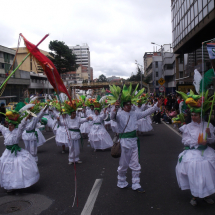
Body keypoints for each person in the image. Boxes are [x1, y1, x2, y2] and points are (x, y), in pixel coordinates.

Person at [110, 85, 163, 192]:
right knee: (123, 164)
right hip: (124, 142)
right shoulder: (119, 115)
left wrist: (156, 106)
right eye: (127, 104)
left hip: (134, 142)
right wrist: (114, 108)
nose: (130, 106)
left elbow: (145, 113)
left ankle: (136, 184)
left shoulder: (134, 114)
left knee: (135, 164)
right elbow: (112, 117)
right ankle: (121, 182)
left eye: (130, 104)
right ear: (123, 105)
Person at [176, 93, 215, 206]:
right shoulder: (188, 127)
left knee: (208, 169)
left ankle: (206, 194)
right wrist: (197, 142)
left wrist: (209, 135)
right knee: (195, 168)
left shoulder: (207, 126)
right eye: (192, 115)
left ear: (201, 115)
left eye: (196, 115)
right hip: (193, 152)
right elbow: (185, 141)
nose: (193, 117)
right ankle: (194, 195)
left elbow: (212, 140)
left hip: (206, 151)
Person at [0, 113, 39, 192]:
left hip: (16, 152)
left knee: (17, 167)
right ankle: (9, 186)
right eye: (9, 125)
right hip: (7, 153)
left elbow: (22, 126)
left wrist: (26, 118)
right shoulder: (6, 132)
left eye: (12, 125)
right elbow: (0, 127)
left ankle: (18, 185)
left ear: (14, 126)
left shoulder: (17, 132)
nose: (10, 127)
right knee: (7, 169)